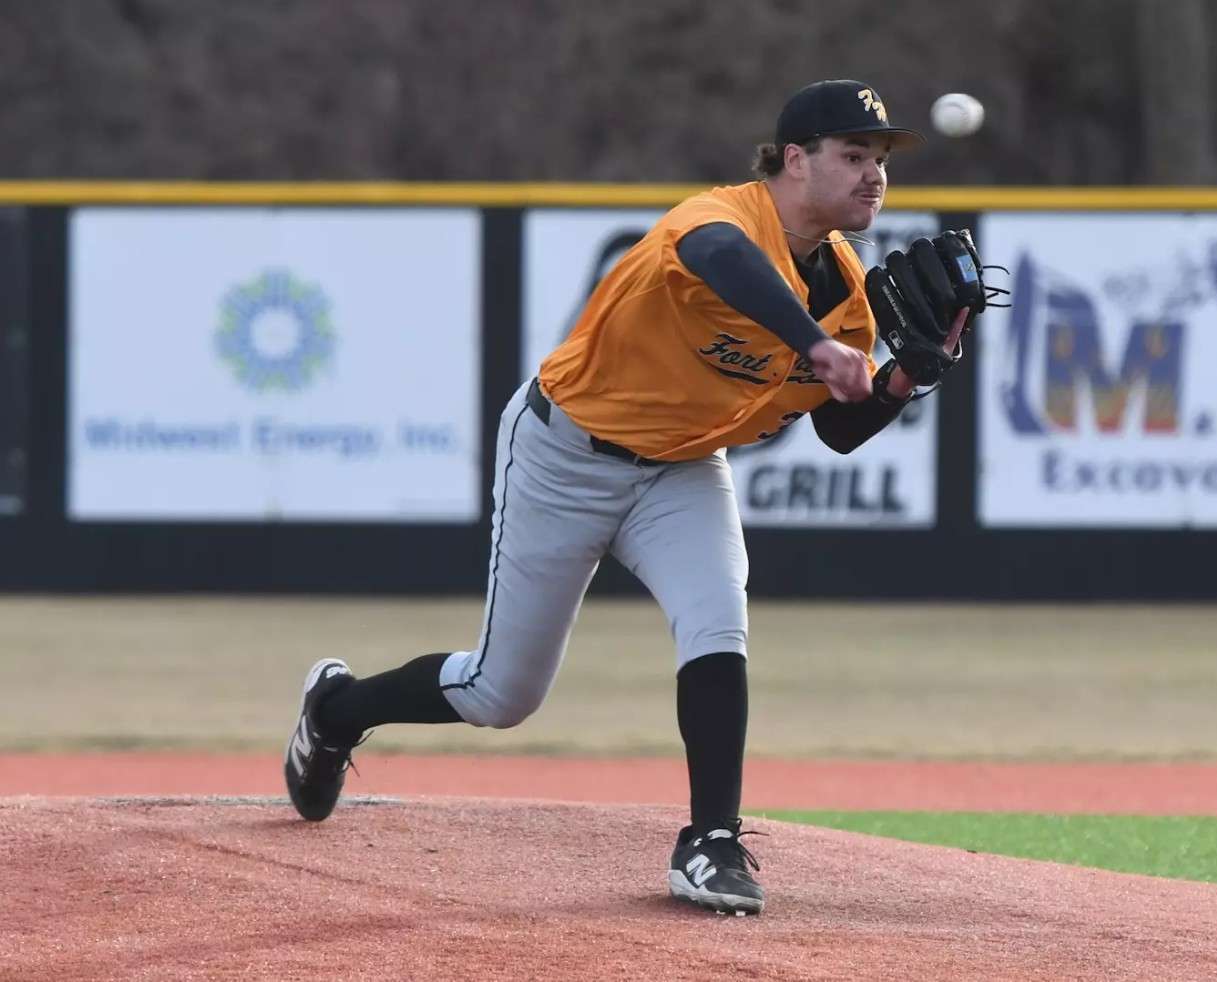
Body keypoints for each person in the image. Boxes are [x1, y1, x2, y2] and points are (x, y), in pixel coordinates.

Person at [284, 78, 981, 916]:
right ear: (793, 161)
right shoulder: (720, 219)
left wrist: (906, 376)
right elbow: (718, 263)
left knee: (718, 624)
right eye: (852, 155)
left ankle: (711, 842)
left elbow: (836, 429)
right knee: (500, 695)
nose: (874, 176)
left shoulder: (844, 291)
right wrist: (812, 344)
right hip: (563, 454)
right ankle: (336, 710)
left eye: (880, 161)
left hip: (682, 468)